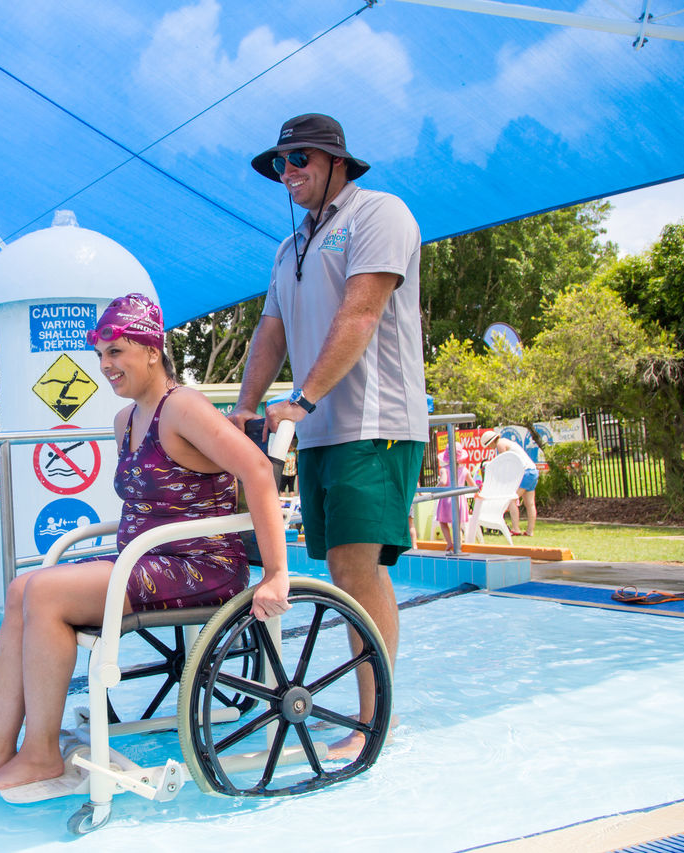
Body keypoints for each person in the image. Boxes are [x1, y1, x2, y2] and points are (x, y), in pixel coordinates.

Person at [0, 293, 291, 795]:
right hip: (145, 560)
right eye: (101, 355)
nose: (106, 365)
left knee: (43, 593)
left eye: (117, 352)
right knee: (23, 588)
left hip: (196, 564)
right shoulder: (125, 420)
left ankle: (40, 752)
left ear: (153, 350)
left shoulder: (184, 407)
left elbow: (258, 471)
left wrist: (276, 573)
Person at [228, 114, 425, 758]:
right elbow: (271, 333)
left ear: (338, 161)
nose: (288, 173)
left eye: (301, 159)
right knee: (338, 567)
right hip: (314, 431)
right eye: (281, 164)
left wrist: (301, 398)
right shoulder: (290, 247)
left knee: (353, 566)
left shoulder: (378, 213)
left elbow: (362, 312)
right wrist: (245, 409)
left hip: (375, 422)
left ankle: (377, 719)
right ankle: (372, 709)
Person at [480, 429, 539, 536]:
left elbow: (505, 463)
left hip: (525, 473)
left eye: (488, 446)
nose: (490, 448)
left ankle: (516, 529)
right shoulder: (506, 441)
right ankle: (530, 531)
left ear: (491, 442)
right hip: (533, 471)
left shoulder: (500, 444)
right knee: (530, 504)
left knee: (511, 500)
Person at [435, 442, 474, 551]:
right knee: (456, 524)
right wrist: (477, 493)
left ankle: (449, 542)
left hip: (447, 498)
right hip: (459, 500)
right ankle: (458, 544)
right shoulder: (465, 470)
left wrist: (435, 489)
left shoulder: (444, 469)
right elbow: (473, 485)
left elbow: (443, 482)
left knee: (443, 522)